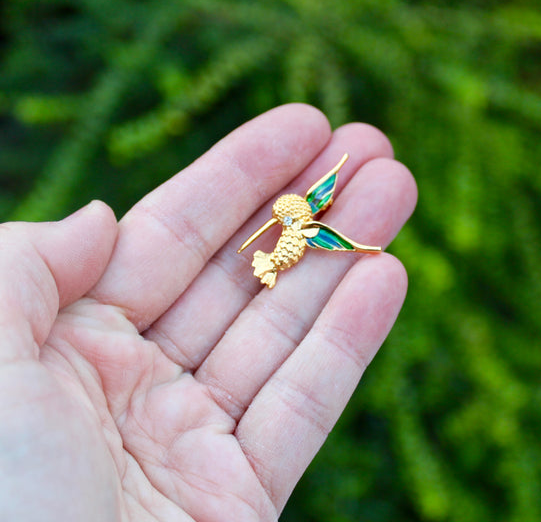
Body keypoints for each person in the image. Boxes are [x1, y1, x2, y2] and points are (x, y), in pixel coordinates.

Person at [0, 104, 417, 521]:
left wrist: (358, 242)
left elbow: (332, 230)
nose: (281, 216)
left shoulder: (309, 231)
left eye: (286, 213)